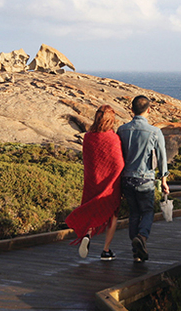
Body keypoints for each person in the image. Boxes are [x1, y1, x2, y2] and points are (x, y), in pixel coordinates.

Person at [64, 105, 125, 260]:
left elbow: (87, 158)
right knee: (113, 213)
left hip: (92, 179)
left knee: (92, 207)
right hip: (110, 182)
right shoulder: (113, 138)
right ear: (111, 120)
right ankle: (106, 250)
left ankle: (88, 234)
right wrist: (115, 177)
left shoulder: (89, 137)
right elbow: (119, 163)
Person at [117, 95, 169, 262]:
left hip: (126, 178)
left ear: (131, 110)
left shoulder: (122, 130)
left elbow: (118, 156)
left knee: (133, 213)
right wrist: (164, 181)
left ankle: (136, 251)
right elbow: (162, 158)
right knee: (147, 211)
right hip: (145, 179)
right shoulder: (155, 132)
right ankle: (142, 237)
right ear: (149, 110)